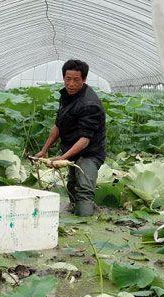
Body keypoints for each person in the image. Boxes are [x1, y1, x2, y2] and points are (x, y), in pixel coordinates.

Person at [35, 59, 106, 216]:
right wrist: (44, 150)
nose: (71, 84)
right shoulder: (65, 95)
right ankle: (77, 213)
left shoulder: (90, 104)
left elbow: (84, 140)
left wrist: (62, 157)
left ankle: (86, 223)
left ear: (84, 80)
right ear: (64, 78)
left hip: (90, 152)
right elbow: (58, 126)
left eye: (76, 80)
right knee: (72, 186)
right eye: (68, 79)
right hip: (72, 150)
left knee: (84, 189)